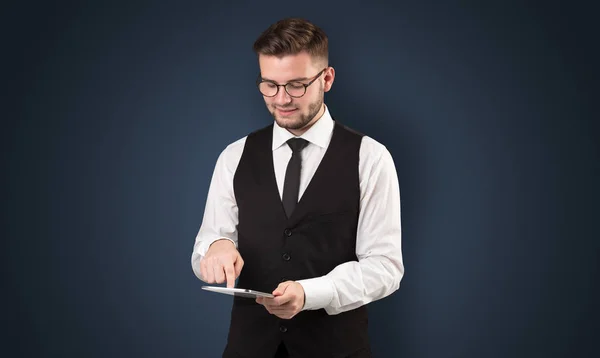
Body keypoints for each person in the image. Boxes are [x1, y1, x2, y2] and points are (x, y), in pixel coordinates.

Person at [191, 17, 404, 358]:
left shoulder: (370, 157)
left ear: (327, 79)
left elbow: (385, 267)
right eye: (270, 85)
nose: (282, 99)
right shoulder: (234, 155)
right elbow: (208, 242)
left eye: (296, 85)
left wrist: (310, 293)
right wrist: (216, 247)